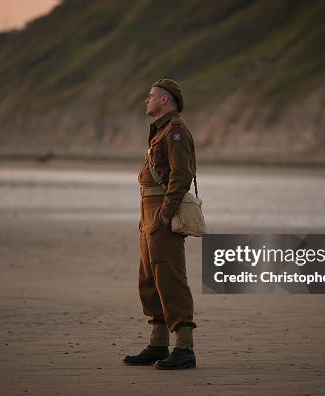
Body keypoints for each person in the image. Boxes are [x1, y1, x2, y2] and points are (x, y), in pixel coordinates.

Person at [123, 79, 197, 370]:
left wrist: (164, 216)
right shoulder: (162, 130)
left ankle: (184, 348)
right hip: (148, 212)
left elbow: (181, 177)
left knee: (170, 278)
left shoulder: (176, 130)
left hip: (161, 214)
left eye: (151, 96)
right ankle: (158, 344)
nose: (146, 100)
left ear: (166, 101)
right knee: (149, 279)